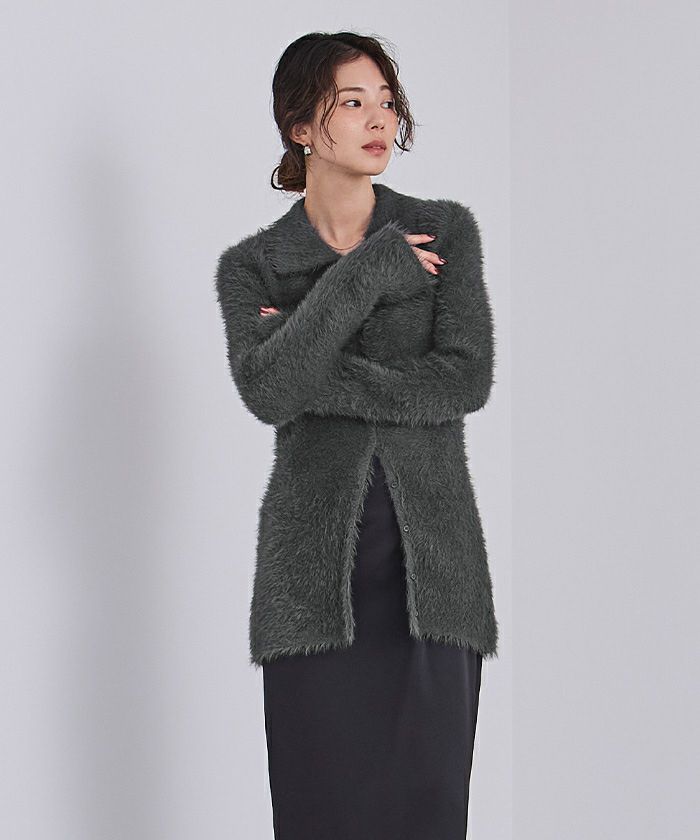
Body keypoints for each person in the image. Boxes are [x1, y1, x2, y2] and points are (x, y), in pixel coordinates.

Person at [214, 31, 498, 840]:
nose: (380, 119)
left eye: (387, 101)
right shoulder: (254, 266)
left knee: (428, 816)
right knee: (319, 816)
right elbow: (269, 394)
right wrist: (367, 271)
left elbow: (463, 381)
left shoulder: (444, 231)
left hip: (431, 574)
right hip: (311, 590)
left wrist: (307, 353)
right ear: (301, 126)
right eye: (352, 101)